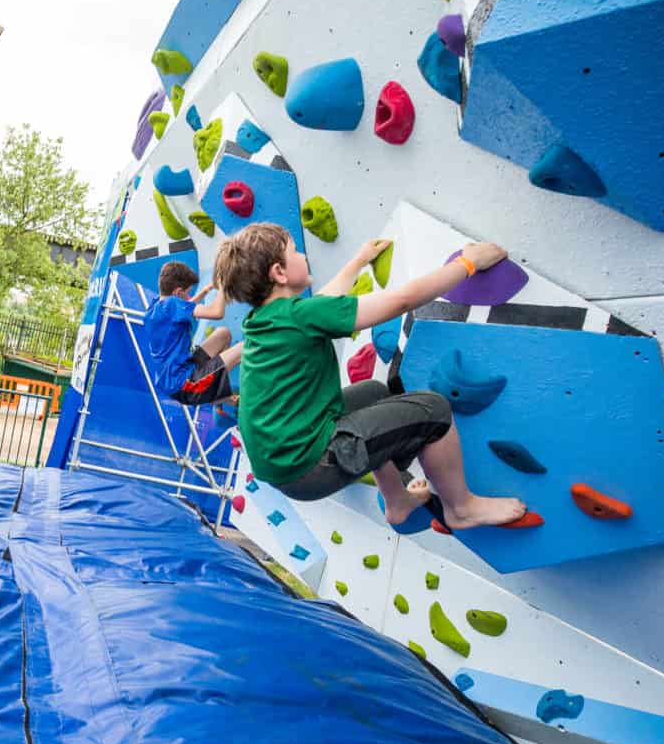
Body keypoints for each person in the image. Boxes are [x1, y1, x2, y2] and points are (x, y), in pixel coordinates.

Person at [214, 222, 528, 530]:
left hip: (287, 462)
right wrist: (468, 263)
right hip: (310, 467)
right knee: (434, 410)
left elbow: (321, 304)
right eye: (295, 251)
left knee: (373, 394)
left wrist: (358, 262)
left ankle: (398, 502)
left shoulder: (267, 320)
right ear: (279, 272)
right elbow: (401, 301)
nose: (303, 257)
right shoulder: (298, 316)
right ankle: (461, 508)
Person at [143, 260, 241, 406]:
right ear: (177, 292)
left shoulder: (155, 306)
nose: (189, 298)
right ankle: (214, 391)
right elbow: (217, 313)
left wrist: (205, 291)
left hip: (176, 375)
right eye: (188, 293)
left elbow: (185, 307)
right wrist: (222, 284)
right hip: (186, 385)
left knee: (223, 334)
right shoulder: (174, 305)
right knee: (244, 347)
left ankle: (216, 390)